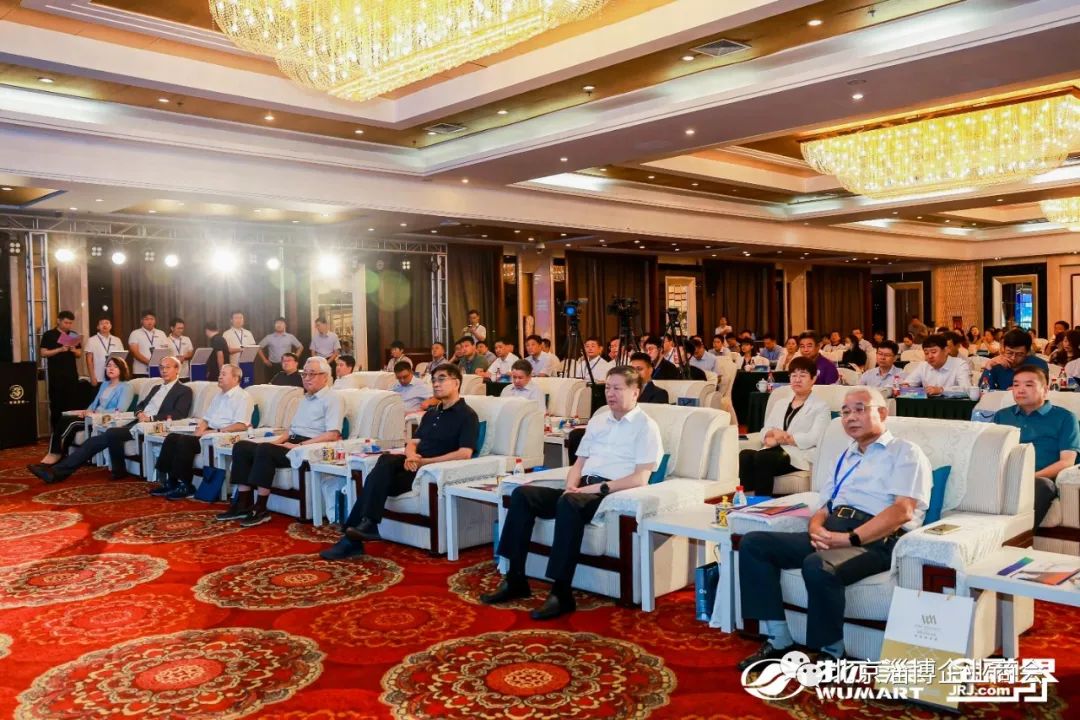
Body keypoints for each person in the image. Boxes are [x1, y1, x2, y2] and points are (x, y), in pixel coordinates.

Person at [737, 387, 931, 670]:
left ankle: (831, 651)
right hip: (834, 529)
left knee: (818, 565)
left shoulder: (905, 452)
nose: (850, 417)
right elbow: (825, 504)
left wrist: (850, 538)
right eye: (845, 411)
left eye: (860, 409)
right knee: (754, 544)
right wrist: (816, 527)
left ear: (882, 413)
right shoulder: (844, 456)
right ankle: (778, 639)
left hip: (875, 540)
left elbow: (903, 510)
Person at [483, 365, 663, 620]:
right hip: (580, 489)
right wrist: (570, 485)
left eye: (617, 388)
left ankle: (561, 592)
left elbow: (640, 478)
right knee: (523, 495)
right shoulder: (599, 420)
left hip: (610, 493)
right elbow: (579, 464)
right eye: (607, 388)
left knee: (570, 504)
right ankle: (515, 579)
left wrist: (592, 489)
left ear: (635, 392)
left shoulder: (646, 427)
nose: (610, 393)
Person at [321, 363, 479, 560]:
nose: (436, 384)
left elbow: (465, 453)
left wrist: (423, 462)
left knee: (375, 479)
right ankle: (365, 527)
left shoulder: (467, 415)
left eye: (441, 379)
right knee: (384, 461)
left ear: (456, 383)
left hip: (430, 470)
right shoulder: (431, 413)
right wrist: (411, 456)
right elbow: (413, 442)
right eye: (433, 380)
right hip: (411, 464)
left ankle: (353, 537)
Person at [216, 357, 343, 527]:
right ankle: (242, 504)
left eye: (312, 374)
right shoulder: (305, 398)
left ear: (325, 376)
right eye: (304, 374)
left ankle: (261, 508)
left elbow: (332, 434)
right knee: (242, 447)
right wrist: (277, 442)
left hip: (308, 447)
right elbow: (291, 430)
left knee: (265, 450)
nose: (306, 378)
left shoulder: (333, 399)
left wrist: (299, 446)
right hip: (291, 443)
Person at [29, 356, 192, 484]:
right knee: (108, 434)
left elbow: (179, 413)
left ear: (177, 369)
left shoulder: (184, 390)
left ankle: (58, 472)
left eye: (167, 367)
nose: (163, 370)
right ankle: (116, 470)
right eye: (161, 367)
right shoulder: (156, 387)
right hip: (137, 423)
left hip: (155, 426)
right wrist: (140, 413)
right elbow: (140, 405)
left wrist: (150, 418)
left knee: (109, 434)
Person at [993, 365, 1080, 531]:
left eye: (1029, 385)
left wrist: (1029, 477)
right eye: (1016, 384)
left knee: (1042, 486)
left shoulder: (1065, 418)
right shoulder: (1002, 415)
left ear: (1045, 390)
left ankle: (1014, 536)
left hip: (1040, 479)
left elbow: (1067, 462)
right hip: (1004, 477)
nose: (1020, 390)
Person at [150, 364, 253, 499]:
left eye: (223, 374)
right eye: (220, 374)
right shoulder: (218, 396)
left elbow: (241, 425)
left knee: (184, 441)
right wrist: (199, 431)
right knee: (172, 437)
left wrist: (215, 431)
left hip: (222, 435)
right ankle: (171, 482)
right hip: (208, 433)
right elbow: (206, 419)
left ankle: (186, 485)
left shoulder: (243, 397)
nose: (219, 377)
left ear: (235, 378)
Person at [738, 356, 830, 495]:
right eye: (794, 375)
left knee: (764, 458)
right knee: (745, 455)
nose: (797, 379)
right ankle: (745, 500)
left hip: (799, 455)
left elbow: (816, 437)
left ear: (813, 379)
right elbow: (765, 429)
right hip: (774, 450)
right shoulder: (781, 403)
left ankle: (762, 503)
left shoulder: (820, 406)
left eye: (803, 375)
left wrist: (784, 438)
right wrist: (771, 436)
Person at [37, 356, 134, 466]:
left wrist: (95, 413)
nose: (111, 368)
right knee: (64, 418)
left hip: (104, 418)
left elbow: (120, 409)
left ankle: (56, 454)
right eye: (108, 366)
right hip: (92, 415)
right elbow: (94, 403)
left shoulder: (126, 387)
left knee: (72, 423)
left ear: (122, 369)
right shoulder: (105, 384)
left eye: (115, 366)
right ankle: (55, 452)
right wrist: (86, 412)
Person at [38, 310, 85, 465]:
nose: (68, 325)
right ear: (58, 321)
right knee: (57, 408)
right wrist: (60, 349)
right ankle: (56, 440)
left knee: (72, 408)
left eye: (70, 323)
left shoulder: (73, 335)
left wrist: (73, 349)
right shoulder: (49, 335)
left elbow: (79, 354)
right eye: (66, 322)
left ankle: (70, 440)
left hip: (71, 376)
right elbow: (43, 353)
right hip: (56, 377)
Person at [979, 329, 1049, 390]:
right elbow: (984, 391)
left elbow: (1044, 390)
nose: (1013, 357)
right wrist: (989, 366)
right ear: (1003, 349)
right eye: (1009, 353)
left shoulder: (1039, 365)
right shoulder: (996, 364)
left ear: (1027, 352)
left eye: (1019, 354)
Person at [903, 334, 972, 395]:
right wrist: (905, 386)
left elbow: (966, 389)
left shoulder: (960, 365)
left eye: (933, 352)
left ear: (946, 350)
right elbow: (907, 384)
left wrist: (942, 390)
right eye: (926, 353)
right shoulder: (923, 366)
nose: (930, 356)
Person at [127, 310, 167, 378]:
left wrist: (160, 364)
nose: (149, 321)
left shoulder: (161, 333)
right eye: (146, 319)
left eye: (152, 319)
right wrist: (150, 363)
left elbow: (165, 351)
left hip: (159, 370)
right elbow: (135, 352)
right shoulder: (135, 333)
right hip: (141, 371)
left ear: (155, 321)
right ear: (141, 321)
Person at [85, 317, 123, 387]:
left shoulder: (117, 340)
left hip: (114, 377)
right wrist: (92, 377)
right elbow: (89, 360)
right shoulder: (91, 340)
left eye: (107, 323)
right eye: (102, 323)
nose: (104, 325)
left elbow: (121, 359)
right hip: (98, 377)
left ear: (110, 326)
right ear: (98, 327)